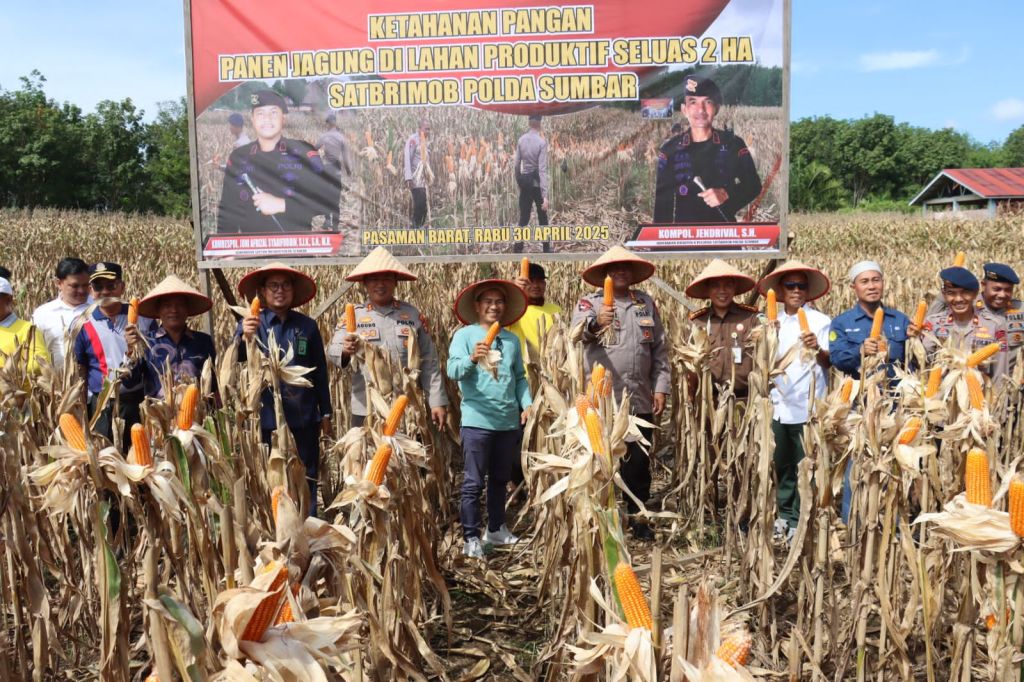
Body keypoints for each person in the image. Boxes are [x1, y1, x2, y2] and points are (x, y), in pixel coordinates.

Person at [571, 246, 670, 539]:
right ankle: (604, 521)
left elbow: (660, 349)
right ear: (604, 274)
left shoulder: (645, 304)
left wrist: (661, 387)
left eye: (626, 267)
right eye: (614, 268)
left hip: (639, 397)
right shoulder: (590, 304)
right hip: (602, 400)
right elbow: (576, 334)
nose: (621, 271)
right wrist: (595, 323)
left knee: (638, 463)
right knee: (603, 464)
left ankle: (639, 520)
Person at [447, 279, 532, 559]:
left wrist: (527, 404)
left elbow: (519, 378)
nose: (494, 307)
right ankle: (471, 536)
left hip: (507, 422)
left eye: (499, 302)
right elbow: (453, 371)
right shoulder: (465, 336)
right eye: (488, 301)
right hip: (477, 420)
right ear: (477, 306)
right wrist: (472, 359)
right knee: (473, 482)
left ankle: (495, 528)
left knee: (499, 479)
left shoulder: (511, 340)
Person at [237, 263, 331, 515]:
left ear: (293, 290)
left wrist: (326, 412)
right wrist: (243, 337)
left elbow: (320, 372)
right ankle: (276, 526)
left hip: (303, 416)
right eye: (273, 286)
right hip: (265, 417)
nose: (280, 291)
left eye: (285, 285)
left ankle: (308, 523)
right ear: (262, 292)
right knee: (272, 477)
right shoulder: (251, 324)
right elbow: (235, 360)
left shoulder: (307, 327)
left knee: (307, 474)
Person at [327, 246, 447, 430]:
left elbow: (429, 360)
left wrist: (436, 401)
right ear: (365, 284)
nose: (380, 284)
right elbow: (333, 350)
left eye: (386, 279)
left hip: (406, 407)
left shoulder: (412, 314)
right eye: (374, 279)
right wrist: (344, 351)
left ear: (396, 282)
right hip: (366, 408)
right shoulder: (354, 316)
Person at [756, 261, 832, 542]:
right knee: (783, 463)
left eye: (802, 286)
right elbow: (762, 363)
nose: (797, 291)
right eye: (791, 286)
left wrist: (817, 348)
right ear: (780, 290)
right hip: (778, 405)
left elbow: (830, 361)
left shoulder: (821, 322)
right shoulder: (770, 323)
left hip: (809, 406)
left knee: (806, 465)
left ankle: (802, 518)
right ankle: (785, 516)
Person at [217, 89, 341, 234]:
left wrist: (282, 205)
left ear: (283, 118)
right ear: (252, 119)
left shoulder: (304, 152)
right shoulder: (238, 157)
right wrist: (225, 249)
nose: (267, 119)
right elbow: (227, 211)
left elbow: (327, 200)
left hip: (297, 251)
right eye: (260, 113)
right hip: (250, 252)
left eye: (274, 112)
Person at [653, 76, 762, 224]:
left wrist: (727, 194)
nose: (701, 110)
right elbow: (662, 204)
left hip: (724, 237)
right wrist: (658, 243)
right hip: (683, 239)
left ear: (716, 108)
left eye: (708, 102)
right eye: (693, 102)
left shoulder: (733, 144)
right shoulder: (669, 150)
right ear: (684, 110)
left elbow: (753, 185)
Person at [71, 263, 139, 444]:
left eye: (111, 286)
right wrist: (81, 409)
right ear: (91, 290)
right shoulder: (82, 324)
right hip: (101, 404)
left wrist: (137, 348)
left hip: (136, 401)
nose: (105, 292)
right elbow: (81, 368)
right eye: (98, 287)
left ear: (122, 287)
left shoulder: (144, 319)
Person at [123, 275, 217, 399]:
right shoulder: (146, 342)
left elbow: (213, 385)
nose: (174, 310)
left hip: (198, 415)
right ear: (158, 310)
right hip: (157, 415)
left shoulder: (203, 341)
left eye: (180, 305)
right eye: (167, 306)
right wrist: (131, 350)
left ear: (187, 309)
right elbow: (129, 382)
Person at [909, 267, 1009, 380]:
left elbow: (1000, 374)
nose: (958, 299)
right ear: (944, 294)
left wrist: (998, 397)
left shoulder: (995, 326)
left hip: (981, 395)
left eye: (965, 293)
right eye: (951, 293)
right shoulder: (933, 323)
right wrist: (914, 340)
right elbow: (921, 364)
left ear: (975, 294)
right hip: (940, 395)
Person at [685, 259, 760, 398]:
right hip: (708, 402)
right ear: (707, 289)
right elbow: (689, 365)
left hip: (745, 399)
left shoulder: (751, 318)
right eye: (716, 286)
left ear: (735, 288)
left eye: (728, 285)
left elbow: (766, 355)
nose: (722, 291)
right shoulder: (698, 322)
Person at [829, 261, 911, 379]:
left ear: (883, 283)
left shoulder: (900, 319)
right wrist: (860, 351)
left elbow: (915, 361)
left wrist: (915, 339)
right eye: (864, 282)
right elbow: (836, 360)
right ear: (853, 287)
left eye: (876, 280)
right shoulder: (841, 322)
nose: (872, 286)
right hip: (860, 394)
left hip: (897, 394)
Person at [32, 257, 90, 367]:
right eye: (75, 286)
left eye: (85, 285)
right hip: (56, 381)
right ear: (58, 283)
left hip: (94, 382)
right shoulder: (42, 314)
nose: (82, 290)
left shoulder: (99, 309)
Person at [508, 262, 561, 360]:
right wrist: (513, 290)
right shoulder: (513, 310)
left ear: (545, 284)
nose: (536, 285)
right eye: (531, 281)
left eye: (540, 281)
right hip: (523, 372)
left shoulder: (555, 310)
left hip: (551, 370)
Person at [0, 277, 49, 375]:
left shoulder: (28, 329)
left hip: (15, 389)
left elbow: (41, 364)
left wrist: (6, 371)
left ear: (8, 299)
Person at [513, 115, 550, 239]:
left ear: (529, 123)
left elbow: (516, 165)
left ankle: (518, 248)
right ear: (539, 125)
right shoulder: (541, 142)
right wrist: (544, 196)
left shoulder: (521, 140)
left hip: (525, 184)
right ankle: (546, 249)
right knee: (543, 218)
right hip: (537, 185)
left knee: (523, 218)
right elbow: (542, 170)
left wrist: (520, 182)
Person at [403, 120, 431, 228]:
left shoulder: (425, 141)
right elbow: (407, 159)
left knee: (424, 205)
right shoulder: (413, 140)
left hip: (424, 178)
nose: (428, 131)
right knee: (419, 204)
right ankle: (415, 228)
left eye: (429, 129)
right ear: (419, 129)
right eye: (426, 129)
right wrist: (408, 178)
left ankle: (420, 227)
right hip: (416, 178)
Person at [317, 113, 353, 192]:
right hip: (337, 170)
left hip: (326, 169)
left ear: (328, 124)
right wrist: (348, 172)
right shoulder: (341, 138)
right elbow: (346, 159)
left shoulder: (324, 137)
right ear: (335, 124)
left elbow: (313, 149)